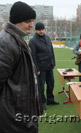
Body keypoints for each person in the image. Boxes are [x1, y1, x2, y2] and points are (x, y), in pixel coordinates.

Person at [0, 1, 43, 132]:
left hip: (21, 110)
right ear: (17, 21)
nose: (31, 25)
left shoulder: (16, 38)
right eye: (28, 21)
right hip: (13, 115)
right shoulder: (6, 42)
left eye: (32, 21)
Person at [29, 22, 59, 110]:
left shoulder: (48, 38)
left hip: (49, 66)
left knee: (51, 84)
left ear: (45, 29)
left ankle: (50, 99)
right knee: (41, 87)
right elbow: (32, 56)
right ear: (36, 30)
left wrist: (53, 63)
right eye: (39, 30)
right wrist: (36, 69)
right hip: (40, 68)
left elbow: (51, 51)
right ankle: (41, 103)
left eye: (42, 29)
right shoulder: (33, 41)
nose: (41, 31)